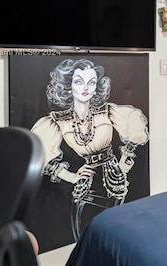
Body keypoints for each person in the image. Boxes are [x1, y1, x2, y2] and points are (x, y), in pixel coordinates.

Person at [30, 58, 149, 239]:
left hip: (112, 180)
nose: (86, 87)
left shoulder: (108, 111)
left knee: (112, 232)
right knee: (82, 235)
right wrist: (70, 176)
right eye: (79, 81)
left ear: (96, 87)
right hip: (85, 185)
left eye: (91, 82)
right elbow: (41, 156)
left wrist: (124, 164)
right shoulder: (57, 121)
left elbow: (135, 133)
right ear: (68, 85)